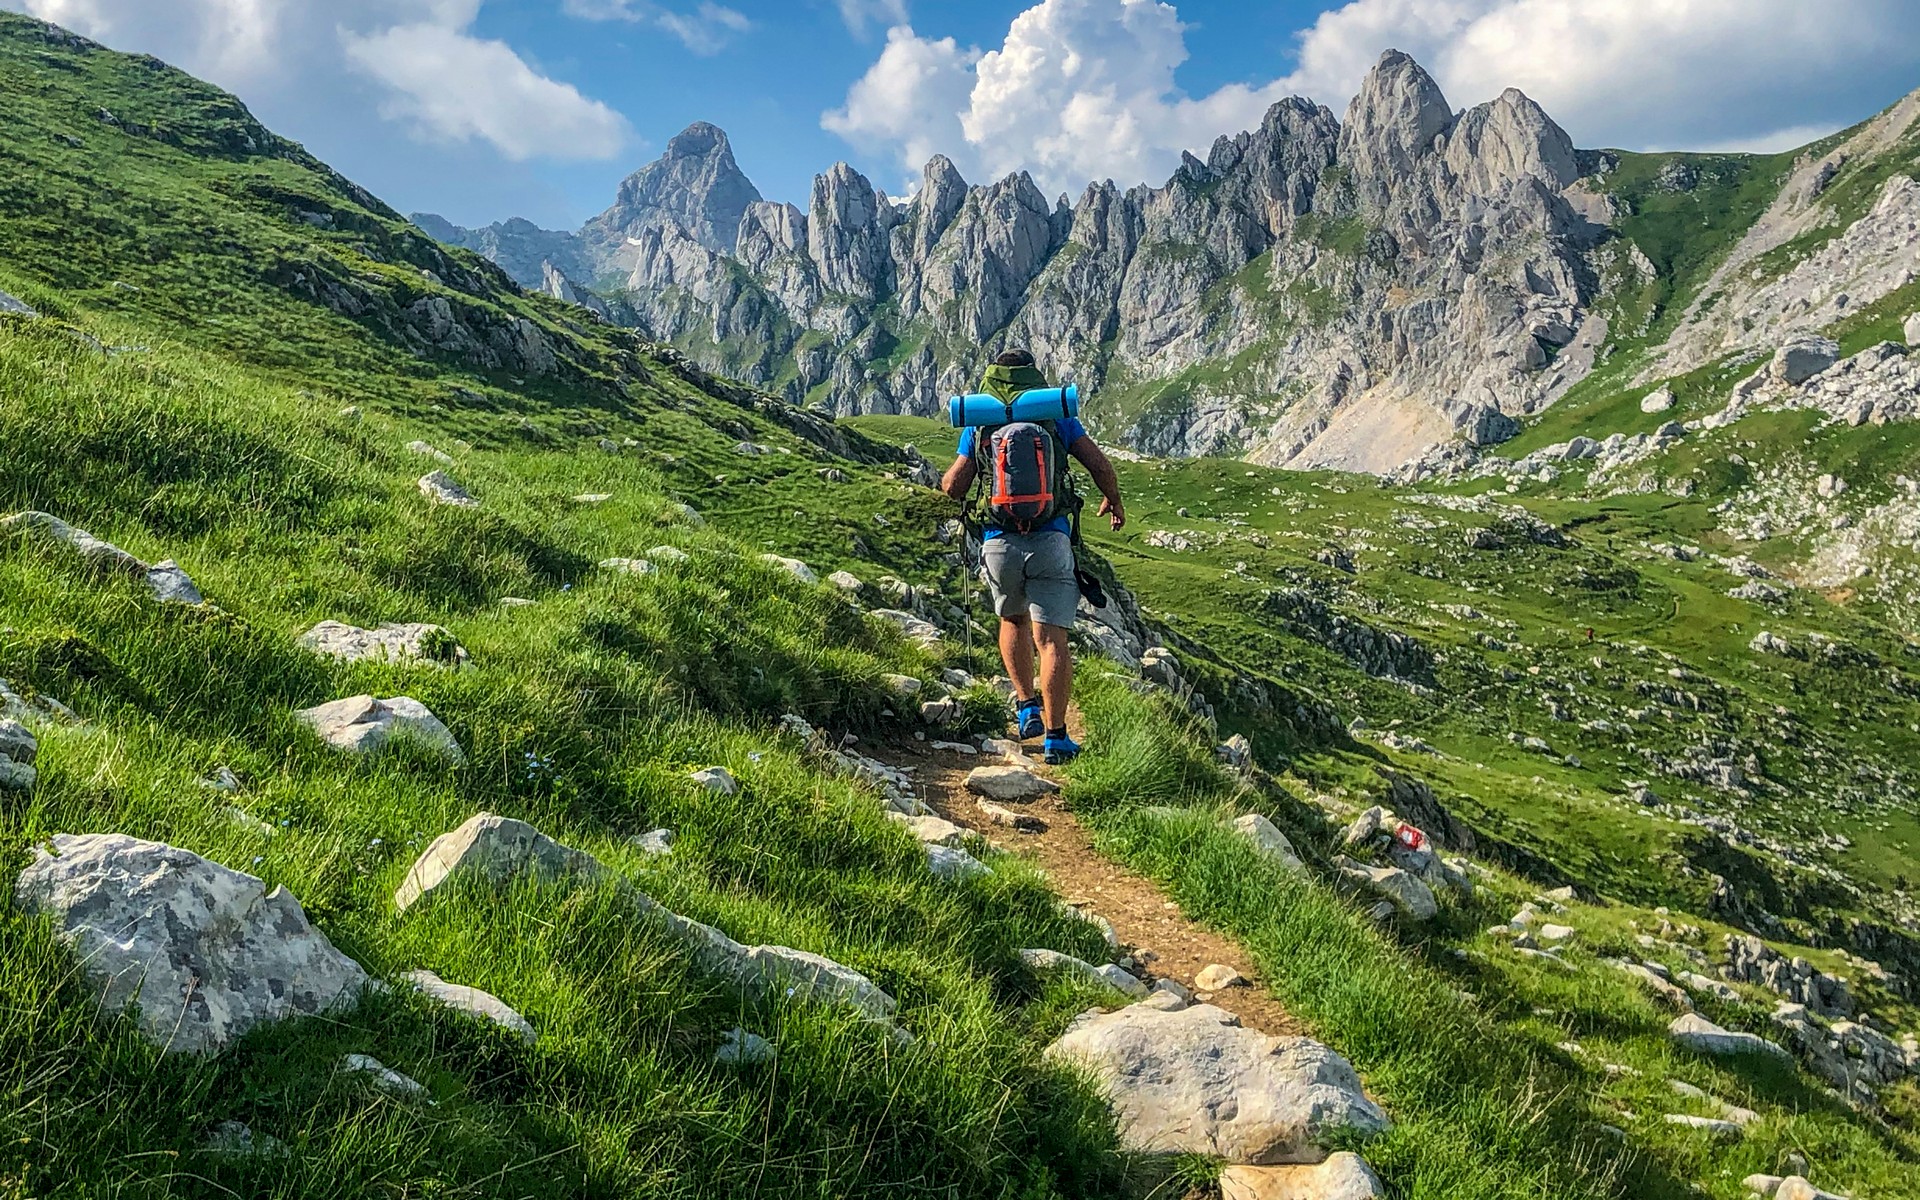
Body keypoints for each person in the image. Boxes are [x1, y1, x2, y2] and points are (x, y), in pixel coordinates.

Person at [941, 350, 1125, 764]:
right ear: (1034, 376)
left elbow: (954, 486)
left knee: (1012, 620)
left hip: (999, 541)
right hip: (1050, 539)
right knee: (1052, 638)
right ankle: (1057, 738)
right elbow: (1099, 465)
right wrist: (1113, 500)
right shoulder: (1054, 415)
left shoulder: (981, 420)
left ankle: (1026, 706)